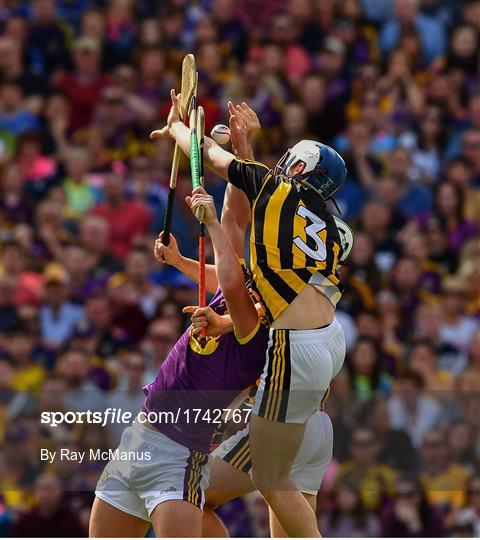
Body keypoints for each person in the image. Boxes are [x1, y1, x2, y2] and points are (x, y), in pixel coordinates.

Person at [158, 88, 348, 536]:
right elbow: (267, 286)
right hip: (327, 342)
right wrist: (244, 150)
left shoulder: (274, 188)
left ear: (297, 167)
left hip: (294, 349)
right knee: (285, 493)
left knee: (268, 476)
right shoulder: (337, 230)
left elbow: (205, 153)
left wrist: (178, 129)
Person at [89, 187, 269, 536]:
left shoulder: (252, 333)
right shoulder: (236, 297)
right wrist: (179, 261)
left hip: (178, 460)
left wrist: (213, 223)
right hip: (136, 442)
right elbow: (227, 278)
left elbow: (232, 283)